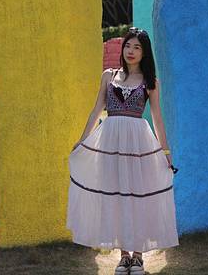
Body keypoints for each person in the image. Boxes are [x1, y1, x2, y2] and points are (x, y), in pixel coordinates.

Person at [67, 27, 179, 275]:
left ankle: (138, 256)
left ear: (144, 52)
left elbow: (157, 119)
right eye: (128, 45)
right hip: (111, 144)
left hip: (138, 145)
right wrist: (82, 141)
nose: (131, 51)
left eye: (137, 47)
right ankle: (124, 256)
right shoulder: (109, 76)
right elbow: (96, 110)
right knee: (116, 197)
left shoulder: (151, 82)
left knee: (137, 197)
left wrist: (166, 152)